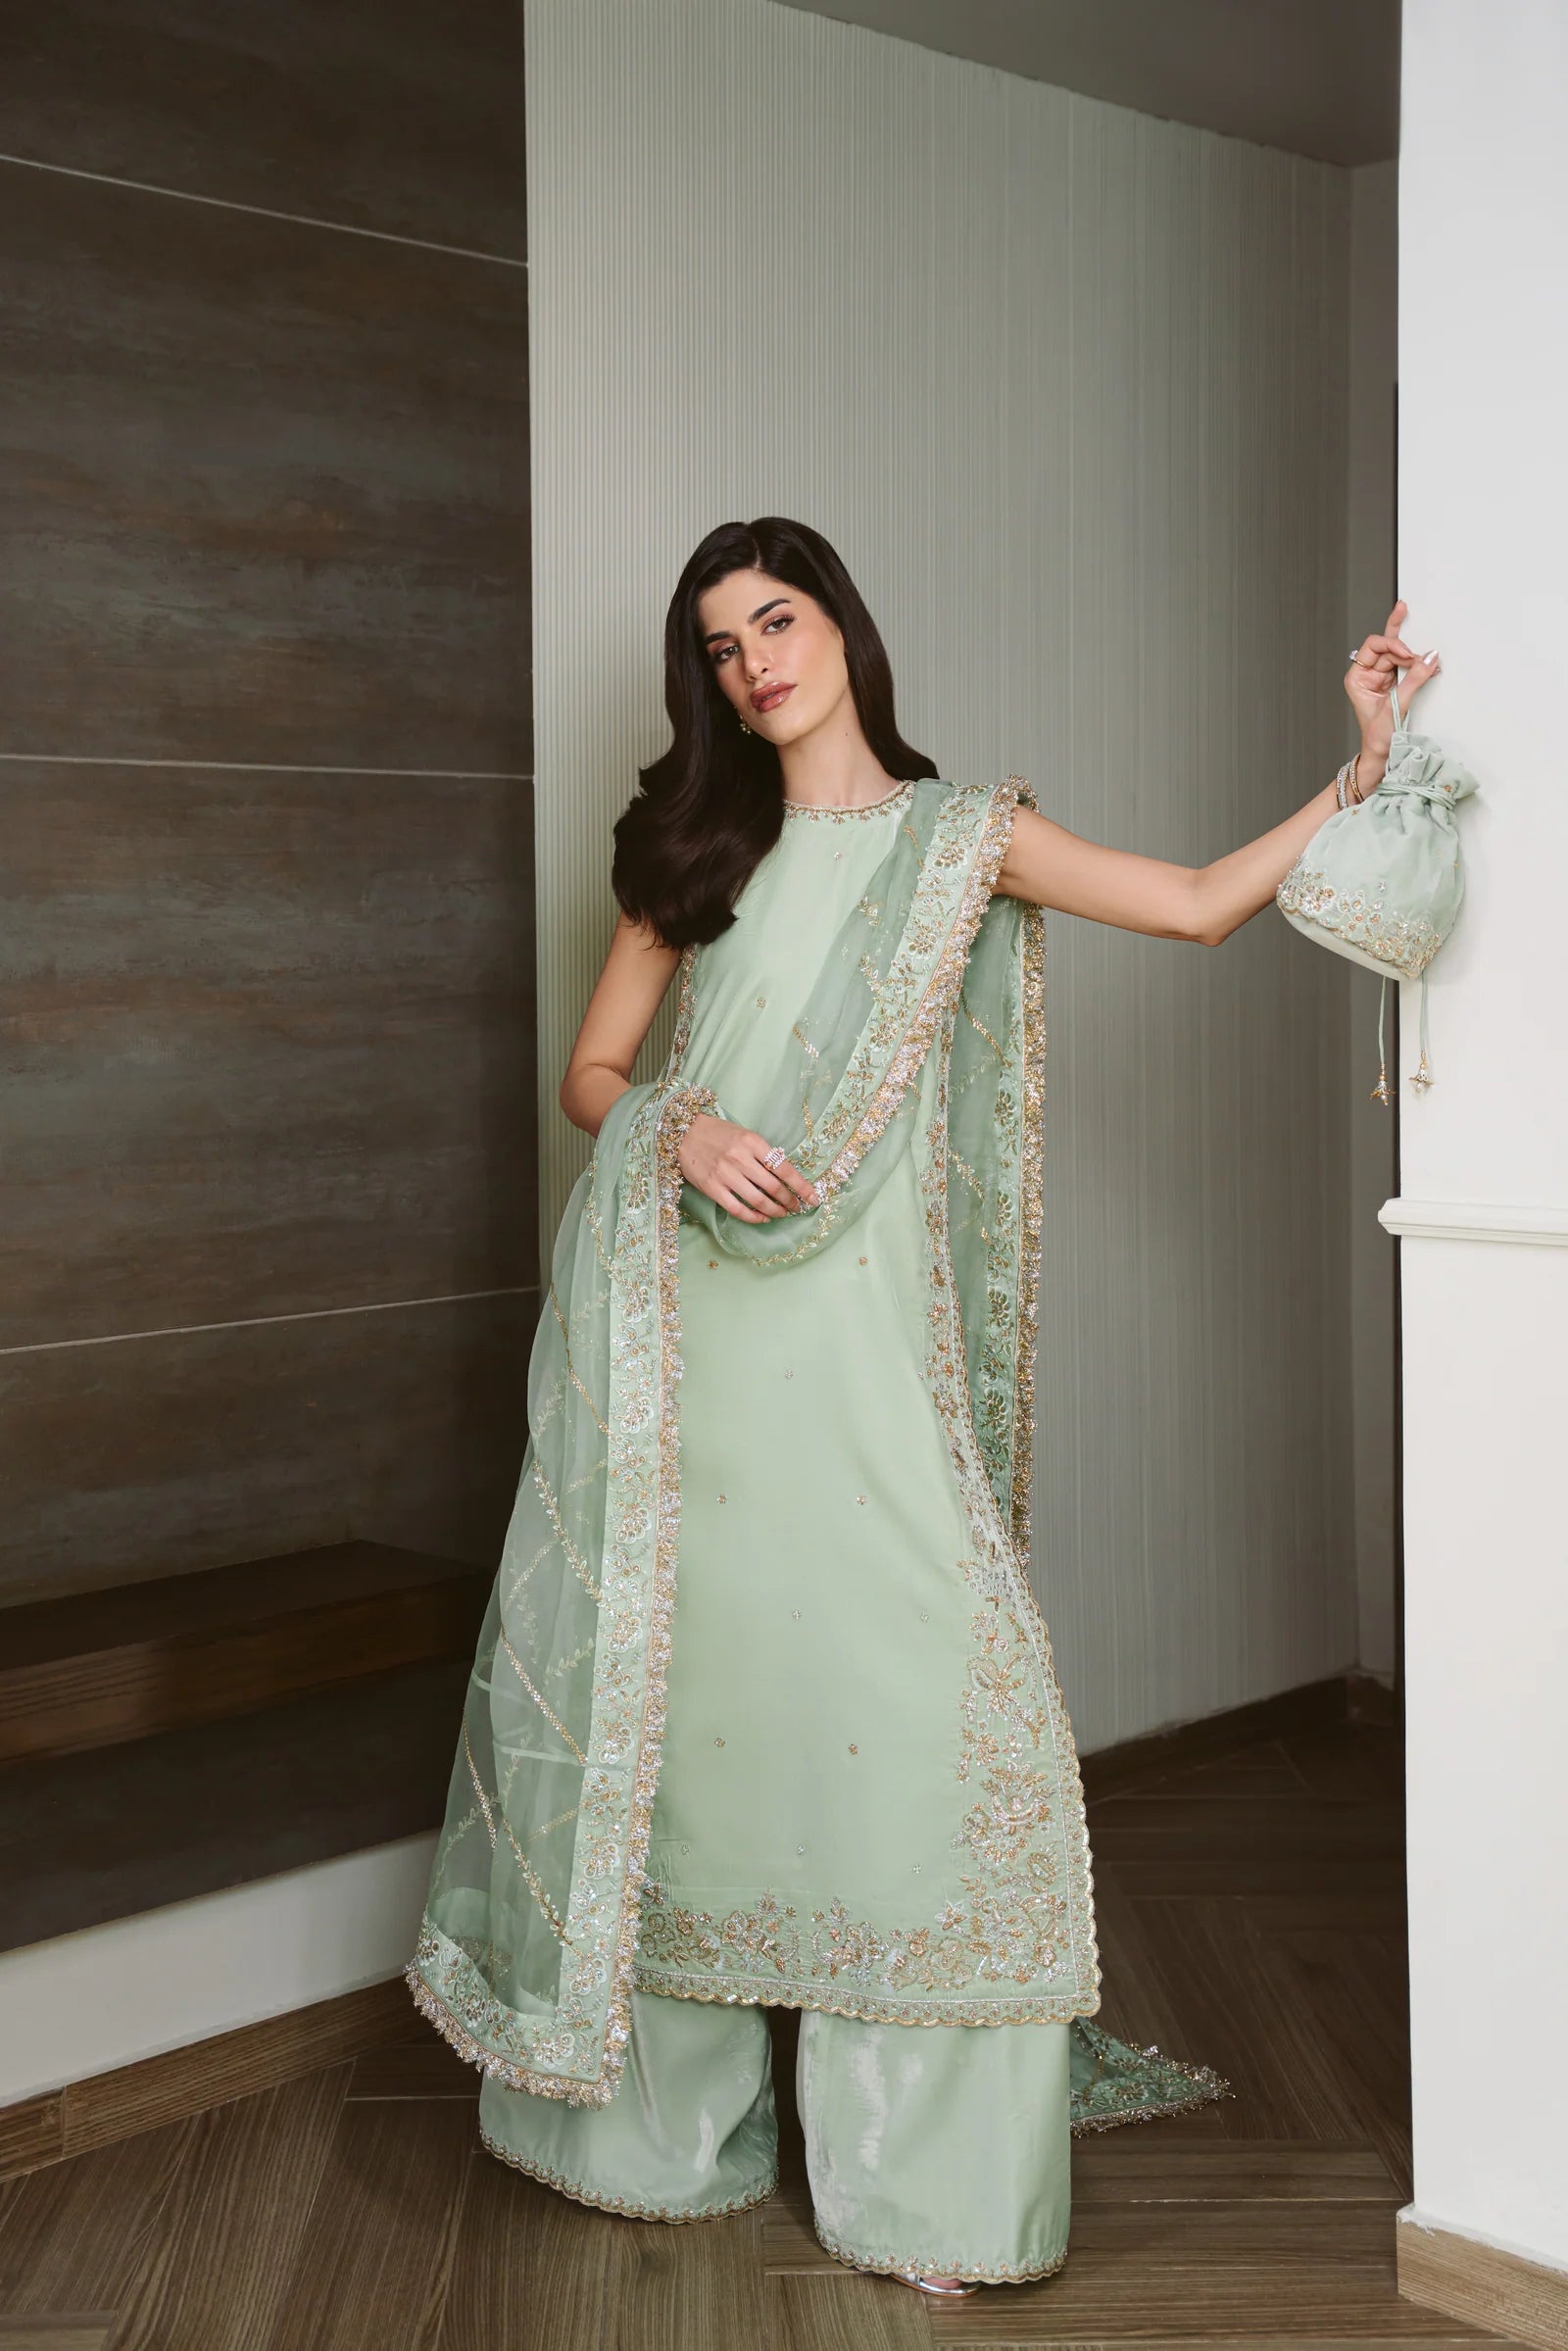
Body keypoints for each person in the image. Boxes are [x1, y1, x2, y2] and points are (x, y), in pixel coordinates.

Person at [405, 516, 1438, 2298]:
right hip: (693, 1359)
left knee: (941, 1709)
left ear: (843, 625)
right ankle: (654, 2125)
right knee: (694, 1721)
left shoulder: (967, 842)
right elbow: (593, 1072)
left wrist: (1360, 767)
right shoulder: (692, 849)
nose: (755, 665)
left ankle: (925, 2181)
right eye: (721, 646)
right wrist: (678, 1129)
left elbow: (1197, 905)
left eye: (776, 621)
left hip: (871, 1359)